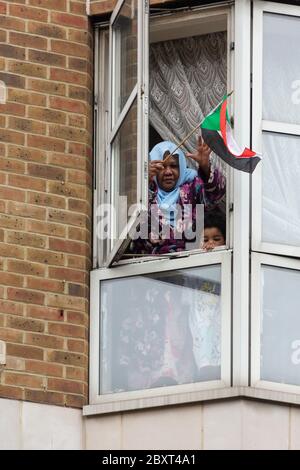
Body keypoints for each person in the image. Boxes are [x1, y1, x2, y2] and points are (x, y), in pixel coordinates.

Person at [128, 137, 226, 255]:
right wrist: (145, 182)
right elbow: (129, 223)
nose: (168, 172)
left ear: (182, 167)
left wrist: (205, 167)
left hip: (192, 266)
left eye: (174, 166)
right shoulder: (144, 193)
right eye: (162, 166)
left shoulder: (192, 189)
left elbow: (216, 195)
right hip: (150, 268)